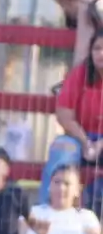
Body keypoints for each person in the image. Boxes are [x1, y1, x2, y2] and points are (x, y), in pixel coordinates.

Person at [43, 29, 103, 200]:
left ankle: (88, 204)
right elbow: (64, 115)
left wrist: (99, 145)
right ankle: (47, 213)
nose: (101, 53)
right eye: (96, 48)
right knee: (62, 148)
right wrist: (86, 143)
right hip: (79, 136)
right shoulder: (80, 73)